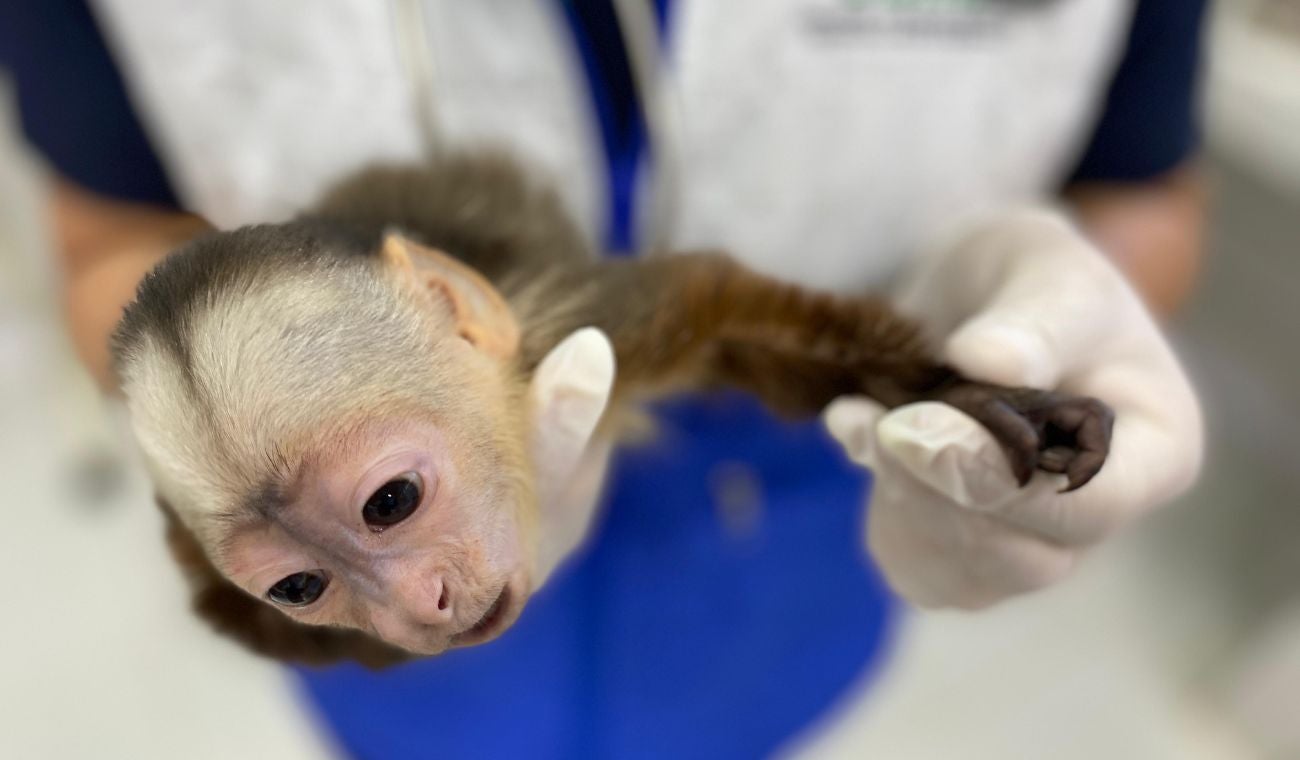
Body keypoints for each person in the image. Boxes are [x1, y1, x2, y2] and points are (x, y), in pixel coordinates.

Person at [1, 0, 1206, 757]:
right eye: (301, 580)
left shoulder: (554, 323)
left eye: (387, 503)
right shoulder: (266, 582)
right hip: (424, 724)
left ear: (458, 316)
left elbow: (1146, 193)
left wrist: (997, 345)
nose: (417, 603)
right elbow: (104, 239)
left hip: (788, 564)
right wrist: (278, 518)